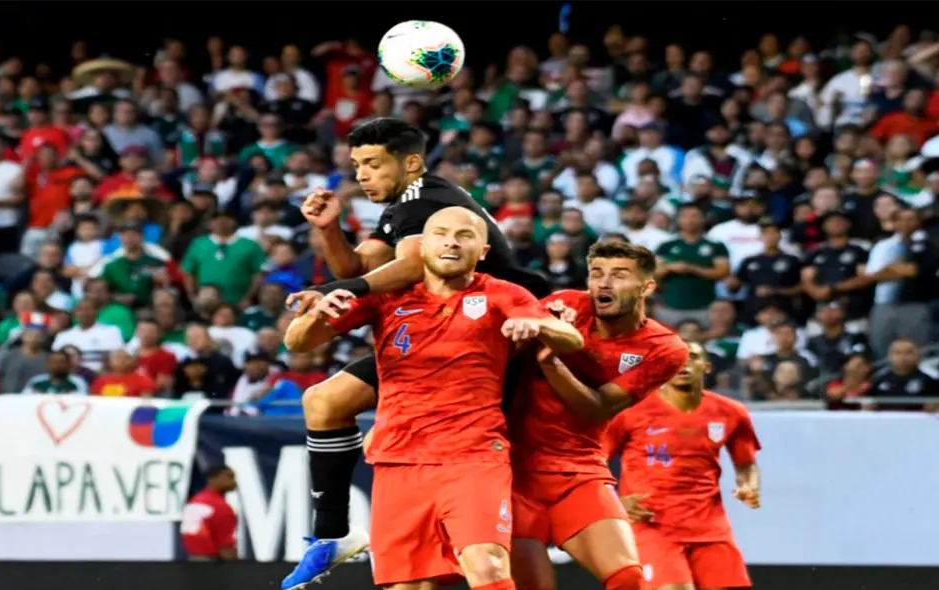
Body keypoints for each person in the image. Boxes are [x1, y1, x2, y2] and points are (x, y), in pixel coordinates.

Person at [281, 118, 551, 588]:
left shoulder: (425, 201)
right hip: (434, 329)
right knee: (324, 401)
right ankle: (332, 534)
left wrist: (339, 289)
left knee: (494, 536)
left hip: (496, 332)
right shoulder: (401, 206)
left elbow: (407, 266)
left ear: (410, 163)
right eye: (357, 165)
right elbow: (362, 266)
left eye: (372, 163)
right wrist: (329, 231)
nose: (362, 175)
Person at [509, 241, 689, 590]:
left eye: (619, 275)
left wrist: (551, 359)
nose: (604, 283)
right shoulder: (566, 305)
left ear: (647, 286)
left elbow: (596, 407)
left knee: (629, 580)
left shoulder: (664, 348)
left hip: (578, 469)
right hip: (513, 470)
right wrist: (538, 328)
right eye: (596, 273)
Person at [604, 341, 761, 590]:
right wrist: (614, 502)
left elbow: (746, 464)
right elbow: (594, 459)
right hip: (652, 525)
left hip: (710, 527)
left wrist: (749, 486)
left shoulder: (731, 412)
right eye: (676, 359)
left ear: (706, 366)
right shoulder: (630, 410)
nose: (684, 364)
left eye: (692, 357)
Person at [180, 464, 239, 562]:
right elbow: (225, 545)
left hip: (193, 559)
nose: (233, 481)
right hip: (213, 561)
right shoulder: (219, 506)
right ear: (213, 479)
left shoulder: (195, 501)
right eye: (229, 477)